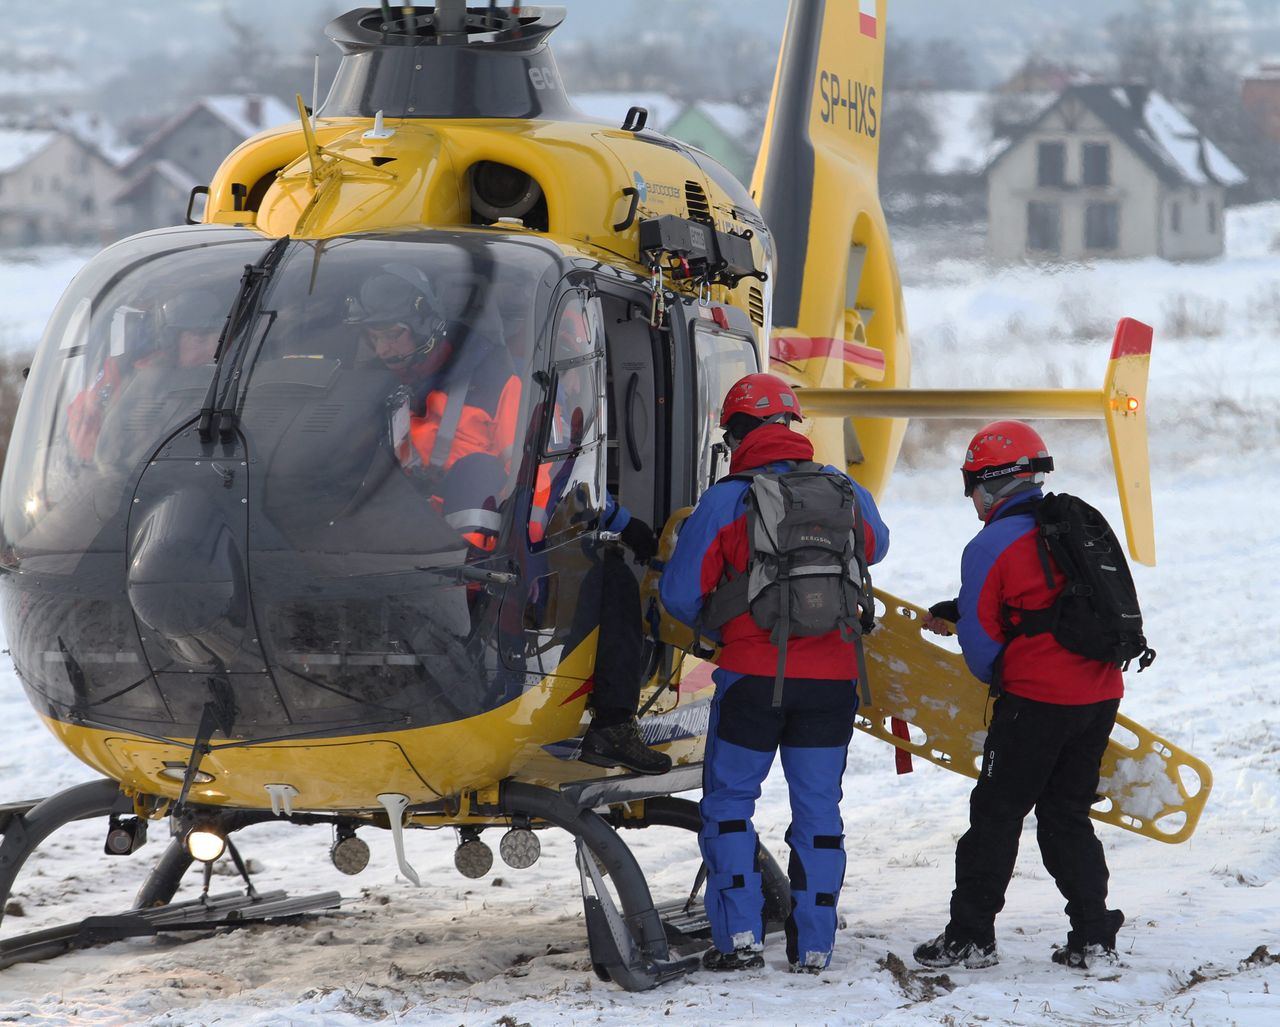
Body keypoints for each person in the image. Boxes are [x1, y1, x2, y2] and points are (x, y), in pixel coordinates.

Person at [659, 372, 889, 975]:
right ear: (793, 426)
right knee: (819, 810)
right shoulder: (844, 489)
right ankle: (814, 944)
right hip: (835, 678)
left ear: (736, 433)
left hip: (753, 678)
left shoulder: (728, 498)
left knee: (731, 804)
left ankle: (738, 940)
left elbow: (680, 594)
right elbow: (877, 545)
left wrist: (724, 622)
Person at [912, 420, 1125, 972]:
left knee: (996, 814)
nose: (971, 498)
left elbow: (984, 647)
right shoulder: (1074, 526)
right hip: (1099, 694)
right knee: (1067, 814)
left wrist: (1000, 677)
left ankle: (970, 937)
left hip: (1037, 702)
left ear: (991, 482)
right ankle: (1093, 935)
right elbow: (1052, 603)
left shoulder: (989, 543)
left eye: (971, 485)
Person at [350, 263, 522, 477]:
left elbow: (530, 480)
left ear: (426, 329)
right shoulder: (365, 384)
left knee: (479, 471)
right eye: (373, 338)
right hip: (383, 503)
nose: (381, 350)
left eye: (392, 335)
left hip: (466, 504)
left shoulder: (495, 379)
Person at [67, 288, 225, 461]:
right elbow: (87, 438)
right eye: (199, 339)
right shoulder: (134, 375)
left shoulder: (243, 375)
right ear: (172, 340)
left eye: (219, 341)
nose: (212, 351)